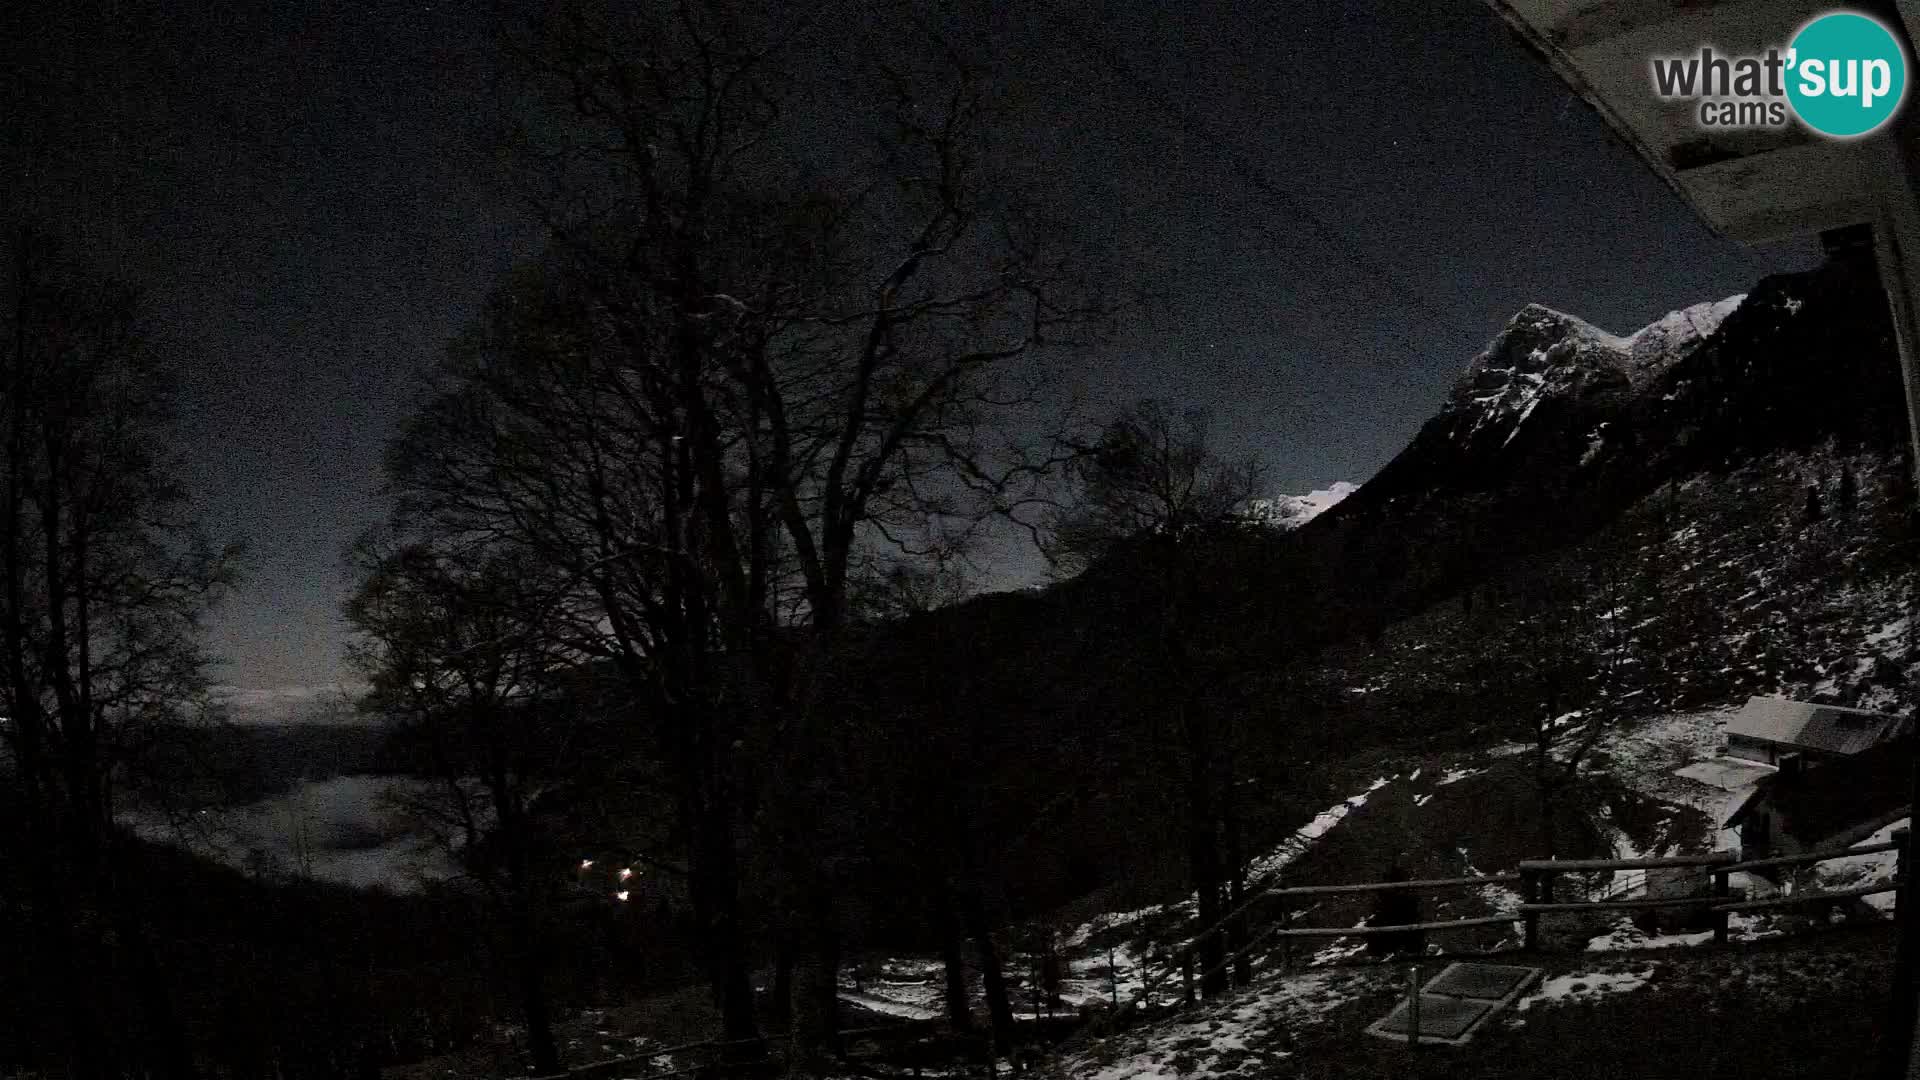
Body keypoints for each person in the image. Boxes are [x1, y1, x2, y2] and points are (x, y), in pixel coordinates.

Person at [1367, 863, 1426, 957]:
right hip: (1394, 921)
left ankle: (1408, 950)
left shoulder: (1406, 894)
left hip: (1400, 921)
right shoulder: (1385, 893)